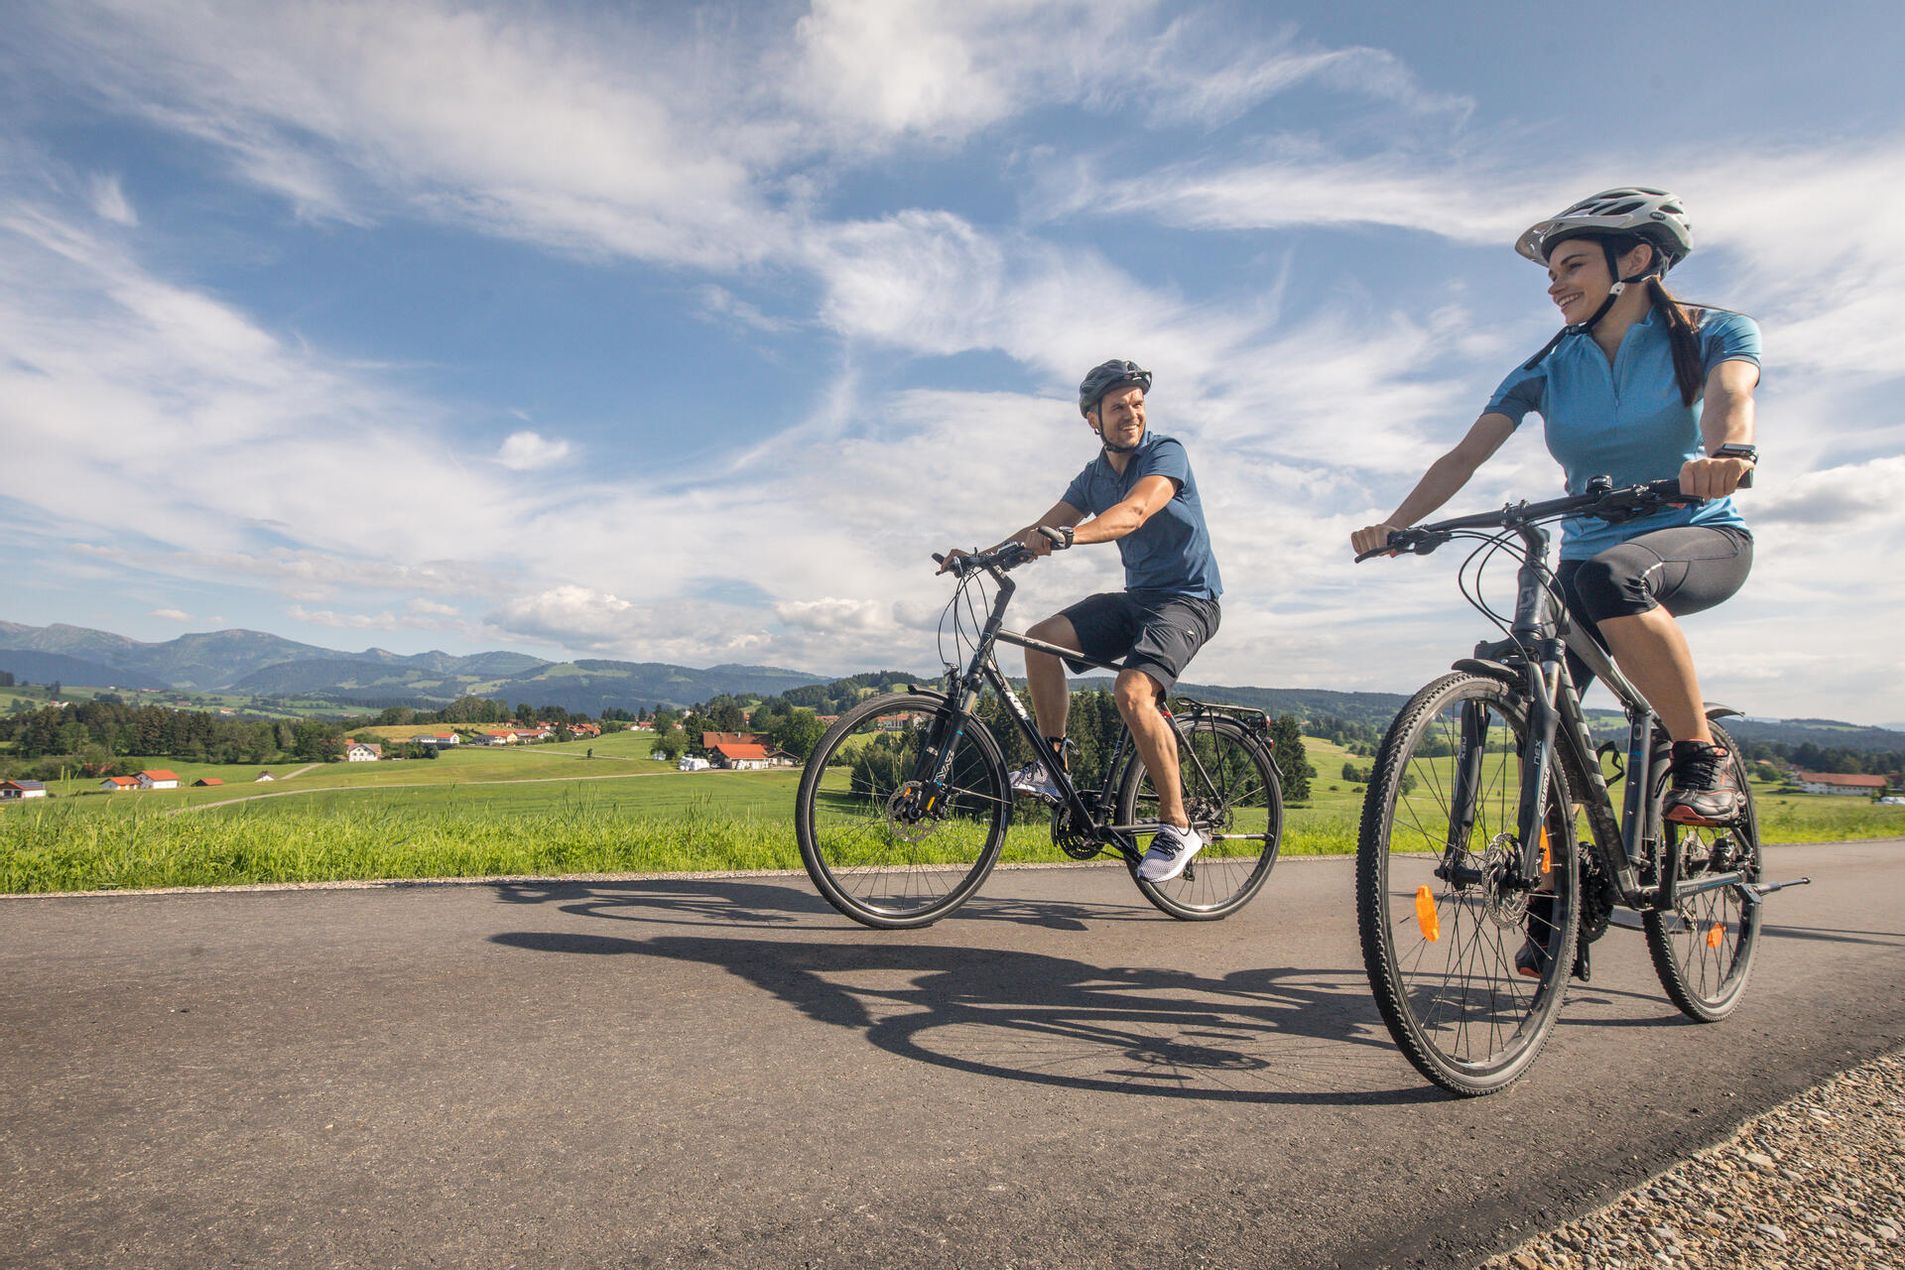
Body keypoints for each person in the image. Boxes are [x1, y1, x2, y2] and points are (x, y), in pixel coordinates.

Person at [1351, 188, 1760, 823]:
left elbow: (1730, 393)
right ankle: (1552, 862)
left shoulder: (1712, 330)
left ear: (1635, 259)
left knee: (1610, 579)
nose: (1555, 286)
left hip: (1697, 532)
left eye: (1573, 266)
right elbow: (1465, 455)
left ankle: (1700, 756)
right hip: (1588, 553)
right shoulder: (1549, 364)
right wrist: (1397, 526)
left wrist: (1727, 453)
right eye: (1551, 273)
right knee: (1534, 679)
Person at [937, 360, 1224, 882]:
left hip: (1188, 600)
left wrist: (1073, 536)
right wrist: (981, 557)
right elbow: (1042, 527)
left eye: (1137, 404)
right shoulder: (1094, 477)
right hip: (1139, 599)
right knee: (1041, 641)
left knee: (1132, 692)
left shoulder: (1166, 453)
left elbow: (1135, 512)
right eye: (1118, 407)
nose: (1131, 414)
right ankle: (1054, 764)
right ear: (1093, 419)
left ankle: (1178, 825)